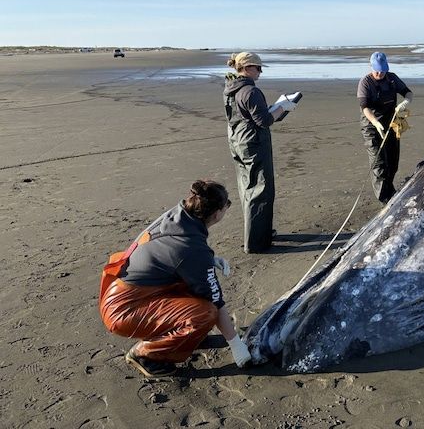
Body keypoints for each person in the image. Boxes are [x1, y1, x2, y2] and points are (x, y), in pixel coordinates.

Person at [99, 180, 251, 378]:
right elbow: (216, 300)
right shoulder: (192, 248)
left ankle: (186, 336)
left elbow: (170, 253)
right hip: (123, 309)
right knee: (206, 313)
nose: (227, 207)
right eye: (226, 205)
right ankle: (146, 355)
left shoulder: (179, 216)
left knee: (194, 287)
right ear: (216, 214)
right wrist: (236, 344)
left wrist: (208, 260)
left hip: (123, 291)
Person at [224, 52, 296, 253]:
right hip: (253, 143)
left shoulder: (231, 87)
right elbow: (264, 121)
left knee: (248, 188)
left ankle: (260, 232)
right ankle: (256, 242)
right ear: (246, 68)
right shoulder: (250, 91)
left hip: (238, 141)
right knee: (261, 190)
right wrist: (282, 108)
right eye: (258, 68)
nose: (260, 72)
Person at [357, 51, 413, 204]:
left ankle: (390, 190)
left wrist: (405, 102)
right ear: (371, 68)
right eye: (377, 70)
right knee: (379, 163)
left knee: (393, 161)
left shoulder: (392, 78)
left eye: (383, 70)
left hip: (391, 124)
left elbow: (408, 93)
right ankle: (385, 199)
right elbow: (364, 107)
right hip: (372, 126)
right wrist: (375, 122)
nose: (380, 73)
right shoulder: (365, 83)